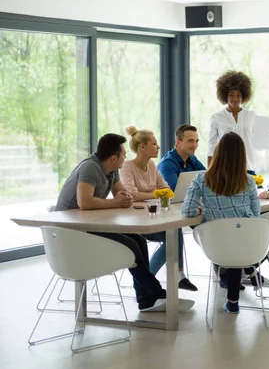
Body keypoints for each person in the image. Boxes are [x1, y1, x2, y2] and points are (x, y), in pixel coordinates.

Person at [55, 133, 194, 312]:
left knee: (139, 240)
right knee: (131, 245)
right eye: (123, 155)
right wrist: (116, 202)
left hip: (89, 224)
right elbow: (85, 202)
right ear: (113, 158)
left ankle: (145, 299)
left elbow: (122, 193)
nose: (125, 157)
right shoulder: (91, 167)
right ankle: (157, 293)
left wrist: (125, 197)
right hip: (72, 232)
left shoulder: (111, 170)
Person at [182, 132, 269, 314]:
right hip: (247, 247)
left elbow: (188, 212)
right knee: (238, 236)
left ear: (217, 153)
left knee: (230, 239)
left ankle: (234, 300)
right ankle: (239, 291)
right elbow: (255, 215)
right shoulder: (249, 182)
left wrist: (202, 209)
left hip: (216, 247)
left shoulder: (201, 179)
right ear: (242, 156)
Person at [120, 126, 198, 292]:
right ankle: (149, 282)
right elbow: (131, 194)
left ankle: (149, 281)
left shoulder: (151, 164)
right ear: (142, 147)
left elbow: (166, 187)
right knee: (174, 234)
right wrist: (156, 193)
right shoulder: (127, 167)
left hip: (152, 217)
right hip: (136, 222)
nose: (158, 147)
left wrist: (158, 192)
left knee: (175, 233)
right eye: (154, 144)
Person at [207, 71, 269, 177]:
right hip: (225, 168)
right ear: (224, 95)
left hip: (248, 166)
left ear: (244, 96)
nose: (235, 99)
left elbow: (259, 141)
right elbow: (211, 147)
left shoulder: (251, 116)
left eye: (239, 95)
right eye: (231, 95)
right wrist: (210, 173)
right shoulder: (216, 118)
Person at [158, 124, 206, 191]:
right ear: (178, 142)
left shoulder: (193, 159)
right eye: (190, 141)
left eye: (196, 141)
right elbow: (175, 191)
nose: (195, 145)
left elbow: (208, 179)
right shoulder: (167, 164)